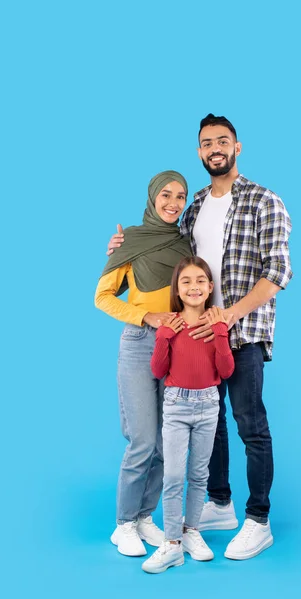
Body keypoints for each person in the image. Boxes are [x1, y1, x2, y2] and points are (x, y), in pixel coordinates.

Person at [107, 114, 293, 561]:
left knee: (249, 422)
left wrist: (228, 316)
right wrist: (125, 245)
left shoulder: (264, 200)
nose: (215, 148)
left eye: (222, 141)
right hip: (195, 334)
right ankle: (221, 503)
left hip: (241, 330)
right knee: (212, 427)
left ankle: (258, 519)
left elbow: (278, 273)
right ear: (199, 152)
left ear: (237, 147)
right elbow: (168, 252)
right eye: (207, 142)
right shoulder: (194, 207)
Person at [95, 170, 191, 557]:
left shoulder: (187, 244)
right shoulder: (130, 240)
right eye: (166, 194)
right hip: (139, 344)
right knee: (142, 440)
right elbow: (103, 296)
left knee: (168, 443)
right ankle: (123, 525)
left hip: (180, 346)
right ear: (153, 197)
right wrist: (145, 317)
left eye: (180, 196)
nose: (173, 203)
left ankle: (144, 517)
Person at [141, 257, 234, 574]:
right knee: (173, 476)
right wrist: (164, 336)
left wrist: (221, 333)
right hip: (177, 406)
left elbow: (225, 370)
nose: (194, 286)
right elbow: (157, 370)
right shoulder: (170, 325)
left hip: (208, 405)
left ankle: (191, 530)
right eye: (186, 281)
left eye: (200, 281)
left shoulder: (215, 324)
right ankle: (171, 544)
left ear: (210, 287)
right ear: (177, 290)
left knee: (199, 476)